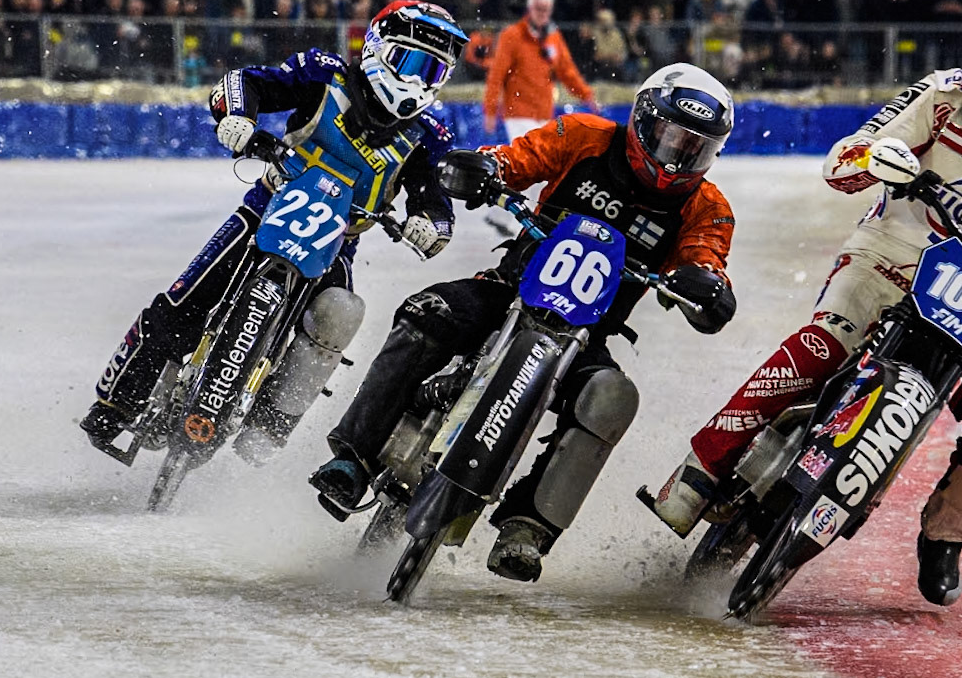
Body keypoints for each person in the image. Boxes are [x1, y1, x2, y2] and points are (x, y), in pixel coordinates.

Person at [645, 10, 962, 606]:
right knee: (818, 347)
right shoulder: (941, 97)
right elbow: (843, 159)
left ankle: (946, 534)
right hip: (886, 258)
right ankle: (701, 469)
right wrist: (876, 159)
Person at [313, 63, 741, 582]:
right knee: (424, 314)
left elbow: (707, 261)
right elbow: (516, 160)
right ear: (643, 123)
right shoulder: (583, 135)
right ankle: (354, 458)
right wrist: (487, 171)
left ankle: (528, 527)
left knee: (611, 398)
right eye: (672, 139)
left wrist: (705, 287)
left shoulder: (707, 207)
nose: (678, 156)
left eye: (695, 148)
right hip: (506, 290)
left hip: (588, 337)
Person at [82, 0, 470, 458]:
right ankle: (114, 403)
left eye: (432, 71)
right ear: (376, 47)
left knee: (340, 315)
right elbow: (245, 82)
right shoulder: (322, 75)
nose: (416, 81)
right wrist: (239, 116)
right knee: (184, 301)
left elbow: (436, 201)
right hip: (264, 210)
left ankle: (270, 428)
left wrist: (430, 226)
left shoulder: (426, 137)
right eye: (410, 62)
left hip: (337, 244)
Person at [483, 0, 599, 141]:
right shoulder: (512, 35)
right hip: (518, 114)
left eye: (546, 9)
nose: (542, 14)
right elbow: (497, 75)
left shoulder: (553, 37)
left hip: (544, 113)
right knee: (526, 160)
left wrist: (586, 95)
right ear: (530, 8)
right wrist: (490, 110)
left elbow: (567, 71)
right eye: (539, 9)